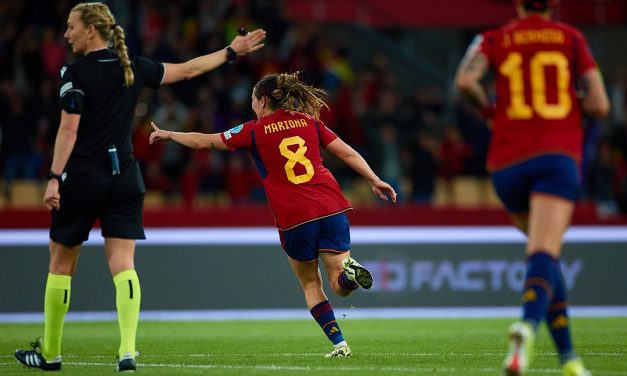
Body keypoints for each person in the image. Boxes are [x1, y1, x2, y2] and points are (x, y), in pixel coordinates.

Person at [14, 2, 265, 372]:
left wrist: (53, 177)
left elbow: (69, 129)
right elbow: (189, 70)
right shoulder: (132, 67)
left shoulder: (74, 71)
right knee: (123, 264)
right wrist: (231, 52)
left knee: (61, 261)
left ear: (91, 30)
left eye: (71, 27)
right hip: (126, 175)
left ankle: (50, 353)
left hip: (83, 176)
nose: (65, 34)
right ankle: (128, 351)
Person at [149, 72, 397, 357]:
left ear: (262, 100)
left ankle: (340, 343)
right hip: (331, 204)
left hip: (295, 214)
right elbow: (348, 153)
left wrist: (170, 134)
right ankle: (350, 274)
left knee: (310, 282)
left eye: (254, 101)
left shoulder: (255, 130)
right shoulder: (310, 122)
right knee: (339, 284)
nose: (252, 106)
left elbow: (206, 141)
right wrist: (373, 179)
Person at [455, 0, 609, 375]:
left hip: (506, 163)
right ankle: (527, 324)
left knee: (546, 253)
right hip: (555, 156)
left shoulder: (495, 38)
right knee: (544, 250)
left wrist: (492, 112)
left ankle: (570, 359)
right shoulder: (571, 37)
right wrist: (570, 105)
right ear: (554, 4)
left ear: (517, 3)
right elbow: (601, 105)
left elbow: (465, 81)